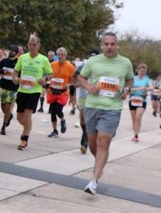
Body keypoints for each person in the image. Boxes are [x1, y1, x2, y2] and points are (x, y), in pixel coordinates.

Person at [77, 32, 133, 195]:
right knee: (94, 144)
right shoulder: (93, 61)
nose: (109, 47)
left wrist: (127, 90)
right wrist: (88, 87)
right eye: (106, 44)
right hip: (92, 106)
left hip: (112, 108)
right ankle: (99, 164)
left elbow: (130, 79)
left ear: (117, 45)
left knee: (103, 142)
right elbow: (81, 77)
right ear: (102, 45)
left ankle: (94, 180)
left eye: (112, 44)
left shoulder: (125, 63)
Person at [12, 34, 52, 150]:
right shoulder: (22, 58)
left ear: (39, 46)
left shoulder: (43, 59)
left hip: (34, 92)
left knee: (28, 115)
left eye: (34, 44)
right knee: (20, 117)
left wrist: (44, 79)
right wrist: (15, 78)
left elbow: (51, 74)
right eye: (30, 44)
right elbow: (15, 71)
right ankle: (27, 129)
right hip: (22, 90)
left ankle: (24, 139)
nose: (32, 46)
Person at [46, 47, 75, 138]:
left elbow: (74, 81)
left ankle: (62, 120)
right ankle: (54, 130)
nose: (60, 56)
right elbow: (48, 76)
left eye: (62, 55)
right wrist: (47, 82)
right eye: (58, 54)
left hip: (63, 92)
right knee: (53, 112)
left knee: (58, 110)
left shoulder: (70, 67)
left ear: (65, 56)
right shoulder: (52, 65)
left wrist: (69, 85)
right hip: (52, 91)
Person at [0, 44, 19, 135]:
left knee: (7, 107)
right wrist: (2, 71)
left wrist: (17, 79)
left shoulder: (19, 63)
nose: (11, 51)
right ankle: (9, 116)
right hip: (3, 87)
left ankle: (3, 127)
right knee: (4, 108)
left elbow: (20, 76)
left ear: (16, 53)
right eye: (10, 49)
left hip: (13, 89)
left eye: (13, 50)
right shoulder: (4, 61)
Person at [129, 63, 151, 141]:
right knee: (134, 119)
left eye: (144, 71)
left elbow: (151, 88)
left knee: (138, 117)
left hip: (142, 100)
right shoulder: (133, 78)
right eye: (141, 71)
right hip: (133, 99)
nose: (142, 73)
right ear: (137, 70)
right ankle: (135, 133)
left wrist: (145, 88)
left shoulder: (147, 79)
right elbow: (128, 89)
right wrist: (136, 89)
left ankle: (136, 135)